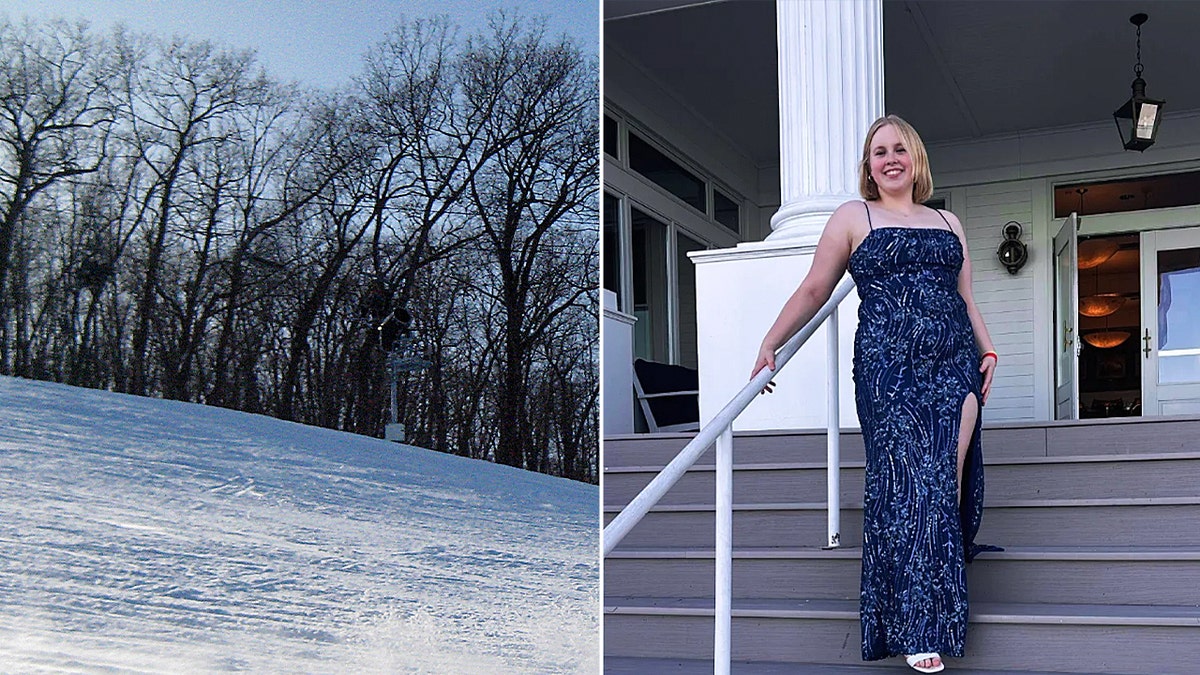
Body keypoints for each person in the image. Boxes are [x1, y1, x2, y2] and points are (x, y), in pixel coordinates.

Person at [750, 114, 999, 673]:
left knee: (942, 482)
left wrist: (987, 349)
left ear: (916, 160)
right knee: (906, 484)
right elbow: (816, 286)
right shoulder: (852, 217)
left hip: (953, 364)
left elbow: (967, 297)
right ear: (868, 165)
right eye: (878, 152)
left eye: (900, 150)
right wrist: (770, 341)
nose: (890, 159)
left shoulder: (948, 221)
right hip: (889, 371)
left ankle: (937, 607)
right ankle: (913, 624)